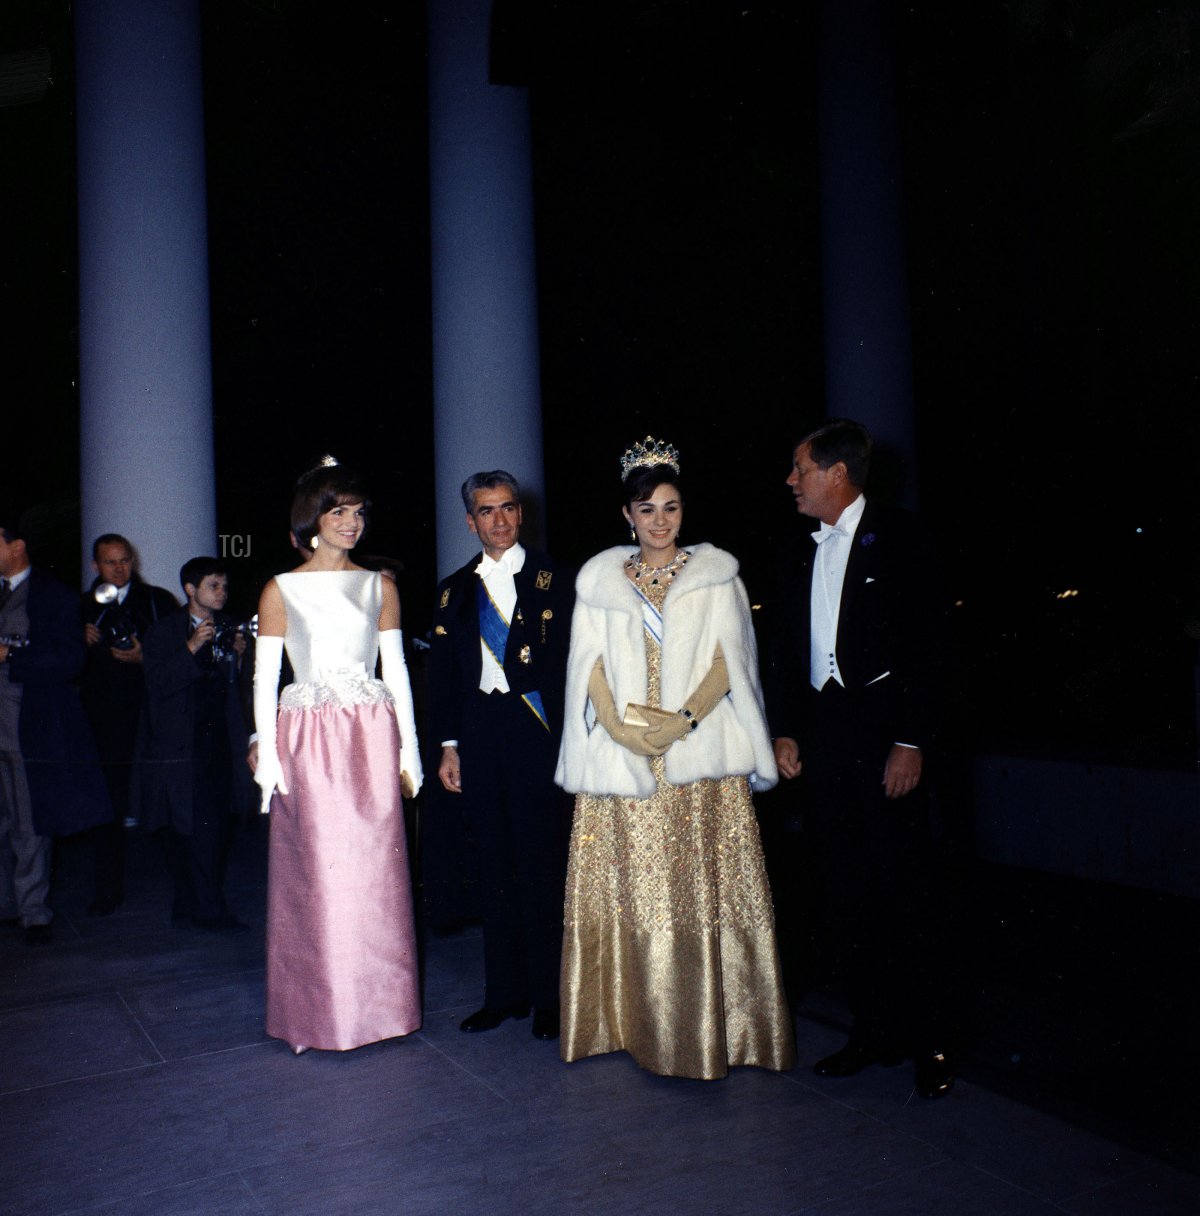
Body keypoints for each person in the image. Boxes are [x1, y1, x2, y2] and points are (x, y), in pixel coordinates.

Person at [554, 437, 794, 1079]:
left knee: (695, 893)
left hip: (697, 751)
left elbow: (732, 664)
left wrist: (683, 721)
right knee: (632, 892)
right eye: (647, 509)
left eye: (671, 507)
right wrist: (620, 730)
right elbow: (588, 668)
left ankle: (711, 1031)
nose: (660, 520)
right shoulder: (601, 582)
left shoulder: (717, 576)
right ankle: (622, 1022)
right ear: (627, 514)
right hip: (624, 756)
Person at [767, 419, 955, 1100]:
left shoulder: (904, 536)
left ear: (835, 473)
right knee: (846, 891)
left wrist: (913, 740)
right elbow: (786, 650)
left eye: (799, 468)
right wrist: (786, 730)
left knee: (906, 890)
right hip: (826, 736)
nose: (791, 481)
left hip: (886, 737)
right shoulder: (797, 548)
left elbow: (933, 648)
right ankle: (871, 1031)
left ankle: (930, 1041)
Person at [251, 458, 422, 1054]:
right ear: (313, 519)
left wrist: (411, 754)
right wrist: (268, 756)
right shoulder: (282, 587)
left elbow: (396, 671)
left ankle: (381, 1011)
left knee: (375, 873)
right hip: (308, 739)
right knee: (319, 875)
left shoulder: (381, 585)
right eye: (338, 512)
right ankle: (318, 1013)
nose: (352, 523)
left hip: (371, 735)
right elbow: (265, 677)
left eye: (358, 512)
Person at [428, 470, 574, 1041]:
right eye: (487, 511)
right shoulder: (452, 589)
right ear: (471, 521)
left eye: (508, 508)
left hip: (536, 728)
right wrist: (448, 744)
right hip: (480, 733)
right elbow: (443, 678)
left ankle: (548, 997)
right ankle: (502, 994)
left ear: (521, 512)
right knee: (492, 865)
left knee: (540, 864)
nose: (500, 519)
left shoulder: (555, 577)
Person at [0, 513, 112, 945]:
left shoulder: (53, 597)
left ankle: (33, 912)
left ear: (17, 546)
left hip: (27, 726)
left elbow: (69, 661)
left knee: (29, 820)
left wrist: (11, 657)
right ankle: (6, 903)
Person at [135, 557, 255, 930]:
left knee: (212, 827)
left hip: (219, 745)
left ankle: (199, 904)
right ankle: (200, 905)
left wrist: (237, 657)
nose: (222, 593)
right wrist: (189, 648)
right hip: (180, 750)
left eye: (224, 586)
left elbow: (237, 689)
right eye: (213, 586)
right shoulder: (164, 631)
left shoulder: (229, 627)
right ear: (190, 590)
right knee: (185, 828)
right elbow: (157, 684)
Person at [80, 534, 177, 915]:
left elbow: (179, 655)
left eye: (125, 561)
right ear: (95, 566)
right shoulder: (82, 607)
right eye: (110, 562)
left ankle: (182, 883)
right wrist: (79, 640)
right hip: (105, 719)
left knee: (166, 793)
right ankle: (108, 887)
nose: (119, 569)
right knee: (110, 801)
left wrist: (143, 658)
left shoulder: (157, 601)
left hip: (154, 713)